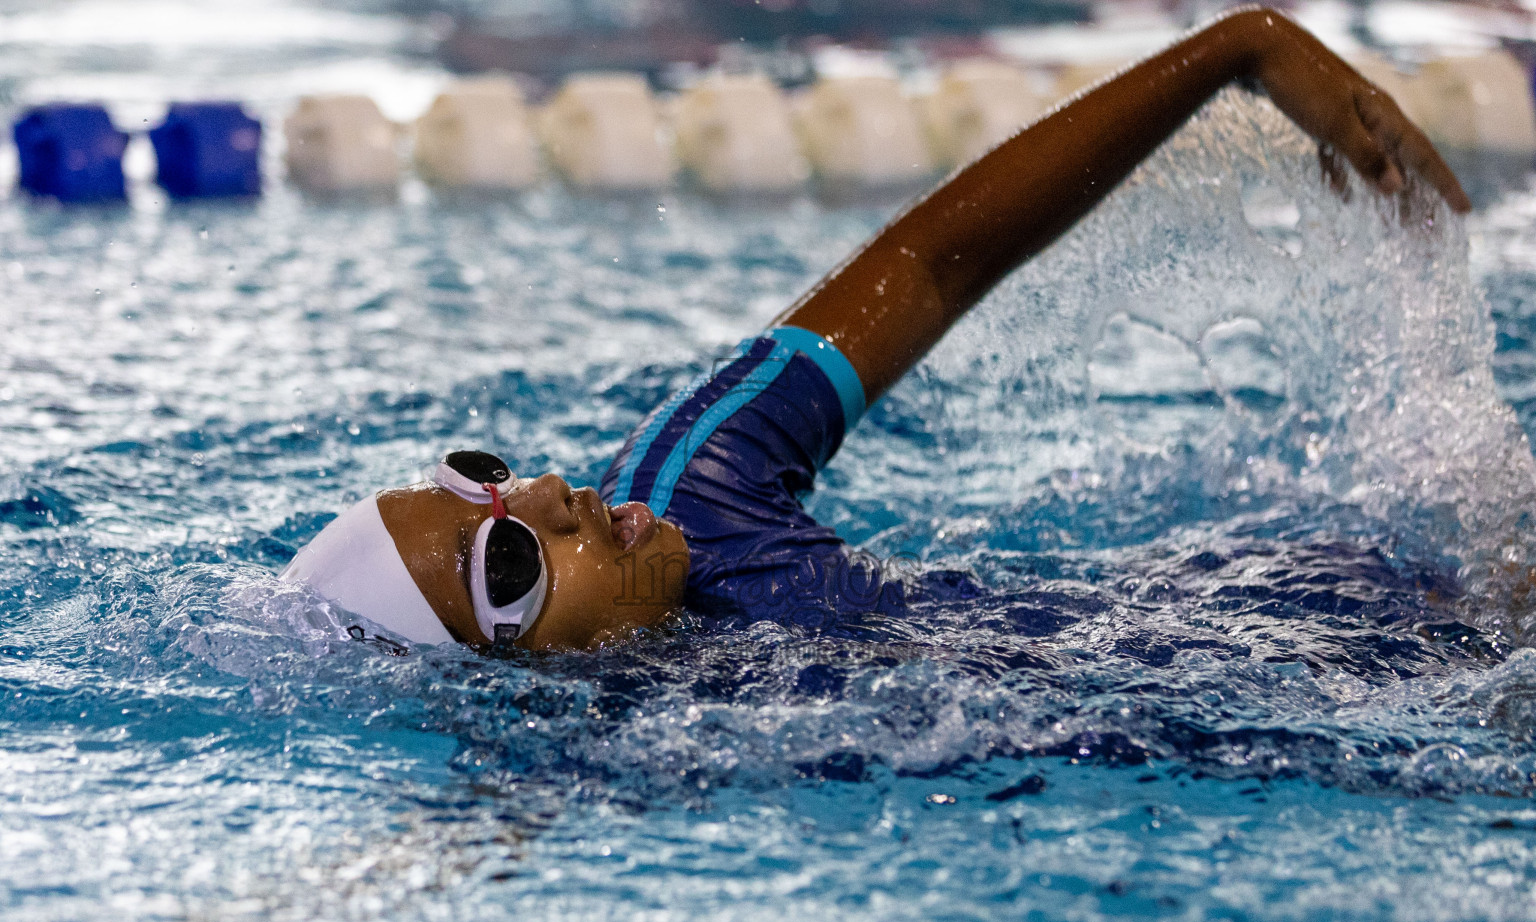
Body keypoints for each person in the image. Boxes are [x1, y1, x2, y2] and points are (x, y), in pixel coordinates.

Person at [280, 6, 1471, 650]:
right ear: (509, 684)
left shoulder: (689, 488)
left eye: (486, 484)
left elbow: (931, 263)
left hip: (1368, 614)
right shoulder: (618, 785)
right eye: (510, 561)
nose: (549, 493)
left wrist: (1234, 50)